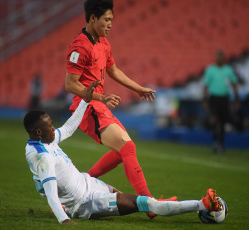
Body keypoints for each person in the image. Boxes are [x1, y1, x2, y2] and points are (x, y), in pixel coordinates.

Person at [23, 81, 222, 224]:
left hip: (88, 183)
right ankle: (202, 205)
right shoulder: (43, 158)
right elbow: (50, 193)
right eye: (49, 126)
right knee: (143, 203)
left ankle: (153, 205)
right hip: (86, 201)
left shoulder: (44, 140)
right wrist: (64, 220)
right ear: (39, 132)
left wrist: (84, 101)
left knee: (136, 201)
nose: (53, 128)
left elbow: (67, 129)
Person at [65, 1, 173, 215]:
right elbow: (70, 84)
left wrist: (138, 88)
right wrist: (100, 97)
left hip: (99, 105)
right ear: (93, 18)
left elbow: (113, 71)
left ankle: (80, 186)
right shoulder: (80, 45)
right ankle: (150, 205)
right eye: (107, 19)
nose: (110, 24)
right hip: (87, 107)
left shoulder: (103, 43)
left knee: (122, 151)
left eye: (111, 20)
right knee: (127, 148)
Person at [203, 50, 240, 153]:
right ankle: (215, 142)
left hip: (224, 98)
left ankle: (221, 144)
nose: (219, 58)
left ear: (224, 58)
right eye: (218, 56)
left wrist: (237, 98)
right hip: (214, 98)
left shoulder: (228, 70)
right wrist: (204, 98)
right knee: (214, 119)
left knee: (223, 122)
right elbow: (206, 85)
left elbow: (234, 84)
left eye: (221, 56)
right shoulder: (210, 70)